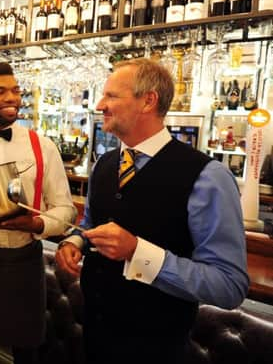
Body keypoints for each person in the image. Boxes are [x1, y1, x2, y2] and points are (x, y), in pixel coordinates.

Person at [55, 58, 249, 364]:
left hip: (157, 349)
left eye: (111, 96)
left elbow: (229, 285)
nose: (100, 105)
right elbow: (91, 223)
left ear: (148, 101)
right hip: (94, 336)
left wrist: (137, 251)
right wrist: (74, 241)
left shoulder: (208, 176)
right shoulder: (104, 164)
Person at [0, 62, 76, 364]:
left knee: (27, 349)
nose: (11, 97)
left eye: (15, 90)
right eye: (0, 91)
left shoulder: (43, 146)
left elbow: (66, 211)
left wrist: (36, 222)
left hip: (26, 260)